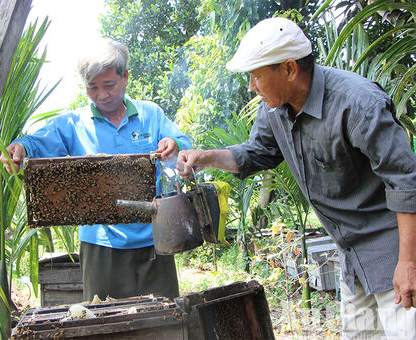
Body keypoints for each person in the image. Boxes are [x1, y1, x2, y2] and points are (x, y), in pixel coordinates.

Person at [176, 17, 416, 339]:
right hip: (350, 257)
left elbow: (406, 181)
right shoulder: (275, 109)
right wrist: (205, 158)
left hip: (394, 254)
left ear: (289, 69)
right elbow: (256, 152)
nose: (251, 86)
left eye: (256, 76)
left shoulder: (357, 104)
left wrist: (409, 263)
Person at [0, 39, 191, 301]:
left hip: (155, 239)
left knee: (165, 317)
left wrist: (174, 145)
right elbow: (36, 142)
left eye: (109, 85)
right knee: (104, 321)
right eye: (93, 87)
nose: (101, 95)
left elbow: (184, 147)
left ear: (125, 77)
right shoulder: (73, 123)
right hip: (101, 245)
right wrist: (21, 147)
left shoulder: (151, 114)